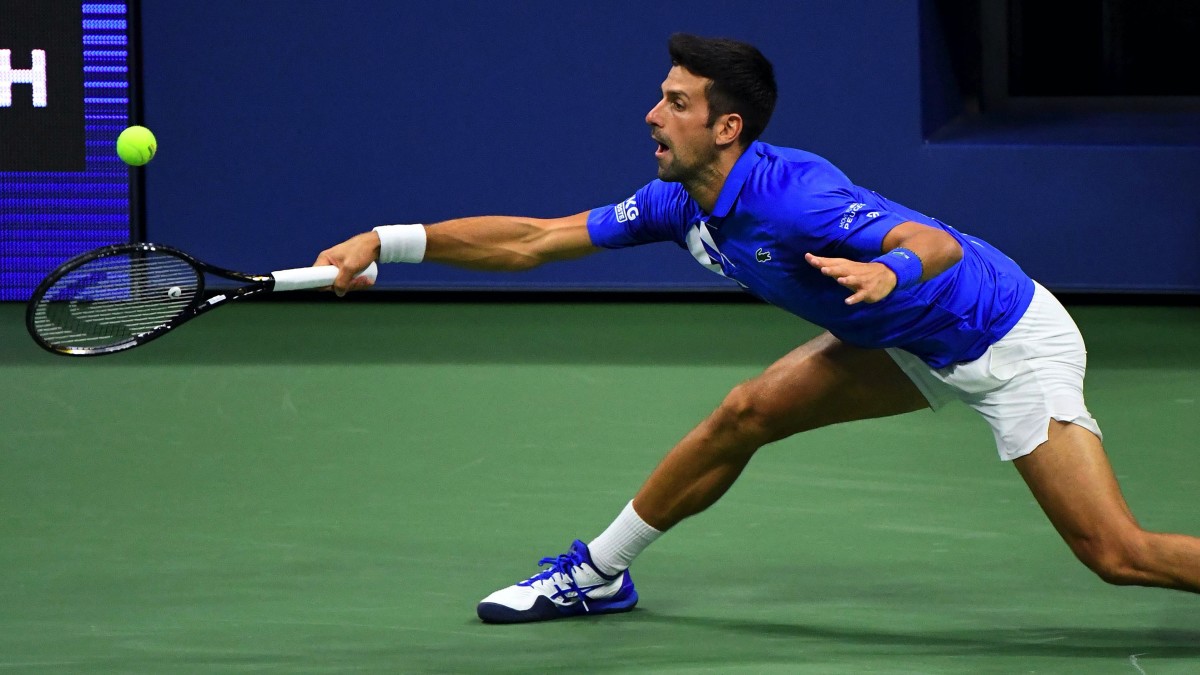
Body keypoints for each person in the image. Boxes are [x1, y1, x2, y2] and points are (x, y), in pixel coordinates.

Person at [314, 33, 1200, 624]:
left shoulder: (797, 197)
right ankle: (598, 573)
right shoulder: (676, 200)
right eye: (659, 97)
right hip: (903, 337)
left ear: (725, 126)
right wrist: (386, 240)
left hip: (1003, 339)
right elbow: (534, 240)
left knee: (1115, 553)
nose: (652, 115)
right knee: (746, 412)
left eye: (675, 102)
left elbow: (933, 244)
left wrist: (886, 273)